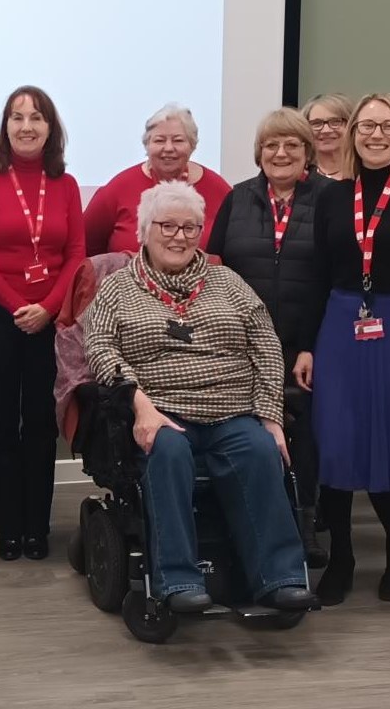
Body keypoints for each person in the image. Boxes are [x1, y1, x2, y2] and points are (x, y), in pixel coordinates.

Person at [86, 181, 317, 614]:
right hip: (163, 412)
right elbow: (100, 349)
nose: (179, 236)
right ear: (143, 230)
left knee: (261, 450)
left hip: (232, 411)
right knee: (167, 452)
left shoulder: (226, 281)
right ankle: (178, 581)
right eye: (168, 226)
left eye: (190, 228)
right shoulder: (118, 289)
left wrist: (270, 418)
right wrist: (142, 408)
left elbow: (265, 343)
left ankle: (280, 578)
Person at [296, 92, 390, 605]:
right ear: (352, 134)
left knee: (384, 438)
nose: (376, 135)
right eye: (366, 126)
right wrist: (307, 347)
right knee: (336, 440)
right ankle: (341, 556)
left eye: (387, 126)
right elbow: (318, 276)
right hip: (339, 325)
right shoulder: (331, 197)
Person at [0, 86, 85, 561]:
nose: (26, 126)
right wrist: (19, 305)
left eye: (36, 117)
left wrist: (49, 308)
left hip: (50, 320)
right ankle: (7, 527)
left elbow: (75, 253)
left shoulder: (66, 185)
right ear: (5, 126)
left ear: (51, 128)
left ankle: (38, 526)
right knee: (0, 421)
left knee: (38, 422)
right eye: (17, 117)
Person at [205, 107, 331, 566]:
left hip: (309, 345)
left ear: (307, 152)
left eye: (291, 145)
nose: (280, 153)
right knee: (249, 435)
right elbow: (213, 271)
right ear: (259, 153)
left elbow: (339, 277)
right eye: (271, 145)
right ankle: (244, 522)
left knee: (306, 436)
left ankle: (306, 522)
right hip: (242, 346)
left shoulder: (331, 199)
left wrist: (312, 346)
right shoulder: (236, 199)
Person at [83, 104, 230, 255]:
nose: (168, 148)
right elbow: (86, 246)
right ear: (147, 145)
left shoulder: (218, 189)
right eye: (159, 140)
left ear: (192, 146)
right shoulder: (118, 188)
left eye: (178, 140)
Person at [302, 93, 353, 181]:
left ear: (351, 124)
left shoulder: (364, 174)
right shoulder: (299, 177)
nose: (326, 130)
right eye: (316, 123)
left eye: (335, 122)